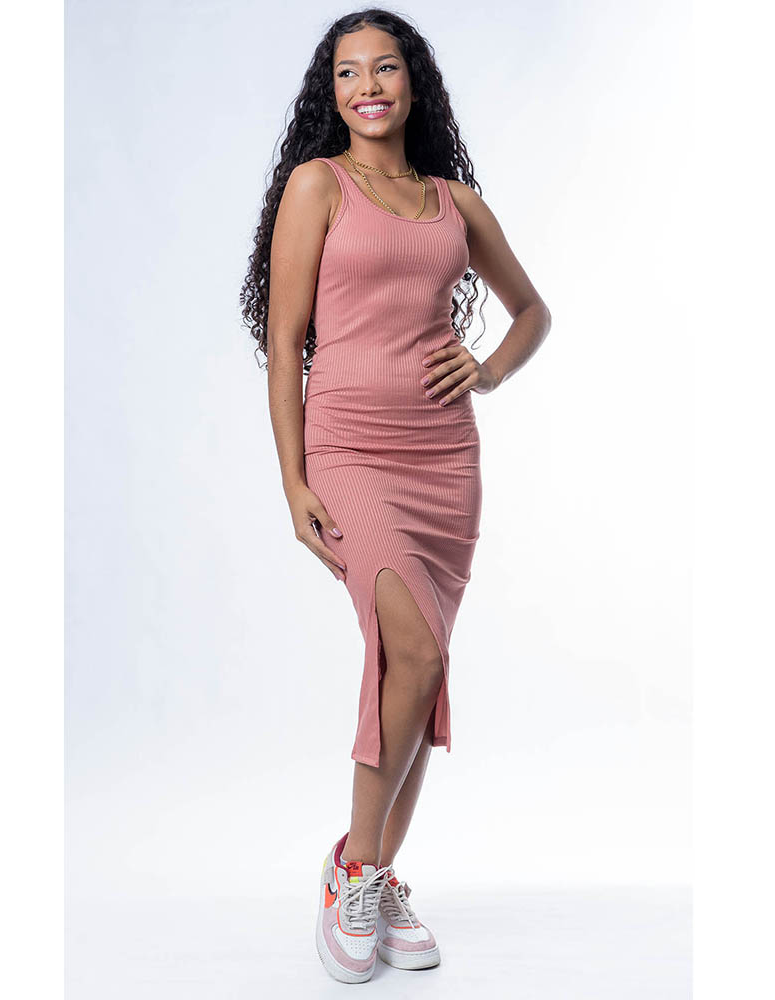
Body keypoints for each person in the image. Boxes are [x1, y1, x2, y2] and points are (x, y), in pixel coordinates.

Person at [240, 9, 550, 984]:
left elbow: (533, 311)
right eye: (347, 72)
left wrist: (488, 368)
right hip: (348, 451)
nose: (367, 86)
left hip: (443, 463)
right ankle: (358, 874)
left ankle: (366, 874)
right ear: (329, 93)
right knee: (409, 652)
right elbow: (285, 340)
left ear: (413, 82)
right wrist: (292, 478)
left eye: (384, 68)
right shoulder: (316, 186)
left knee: (418, 672)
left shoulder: (455, 203)